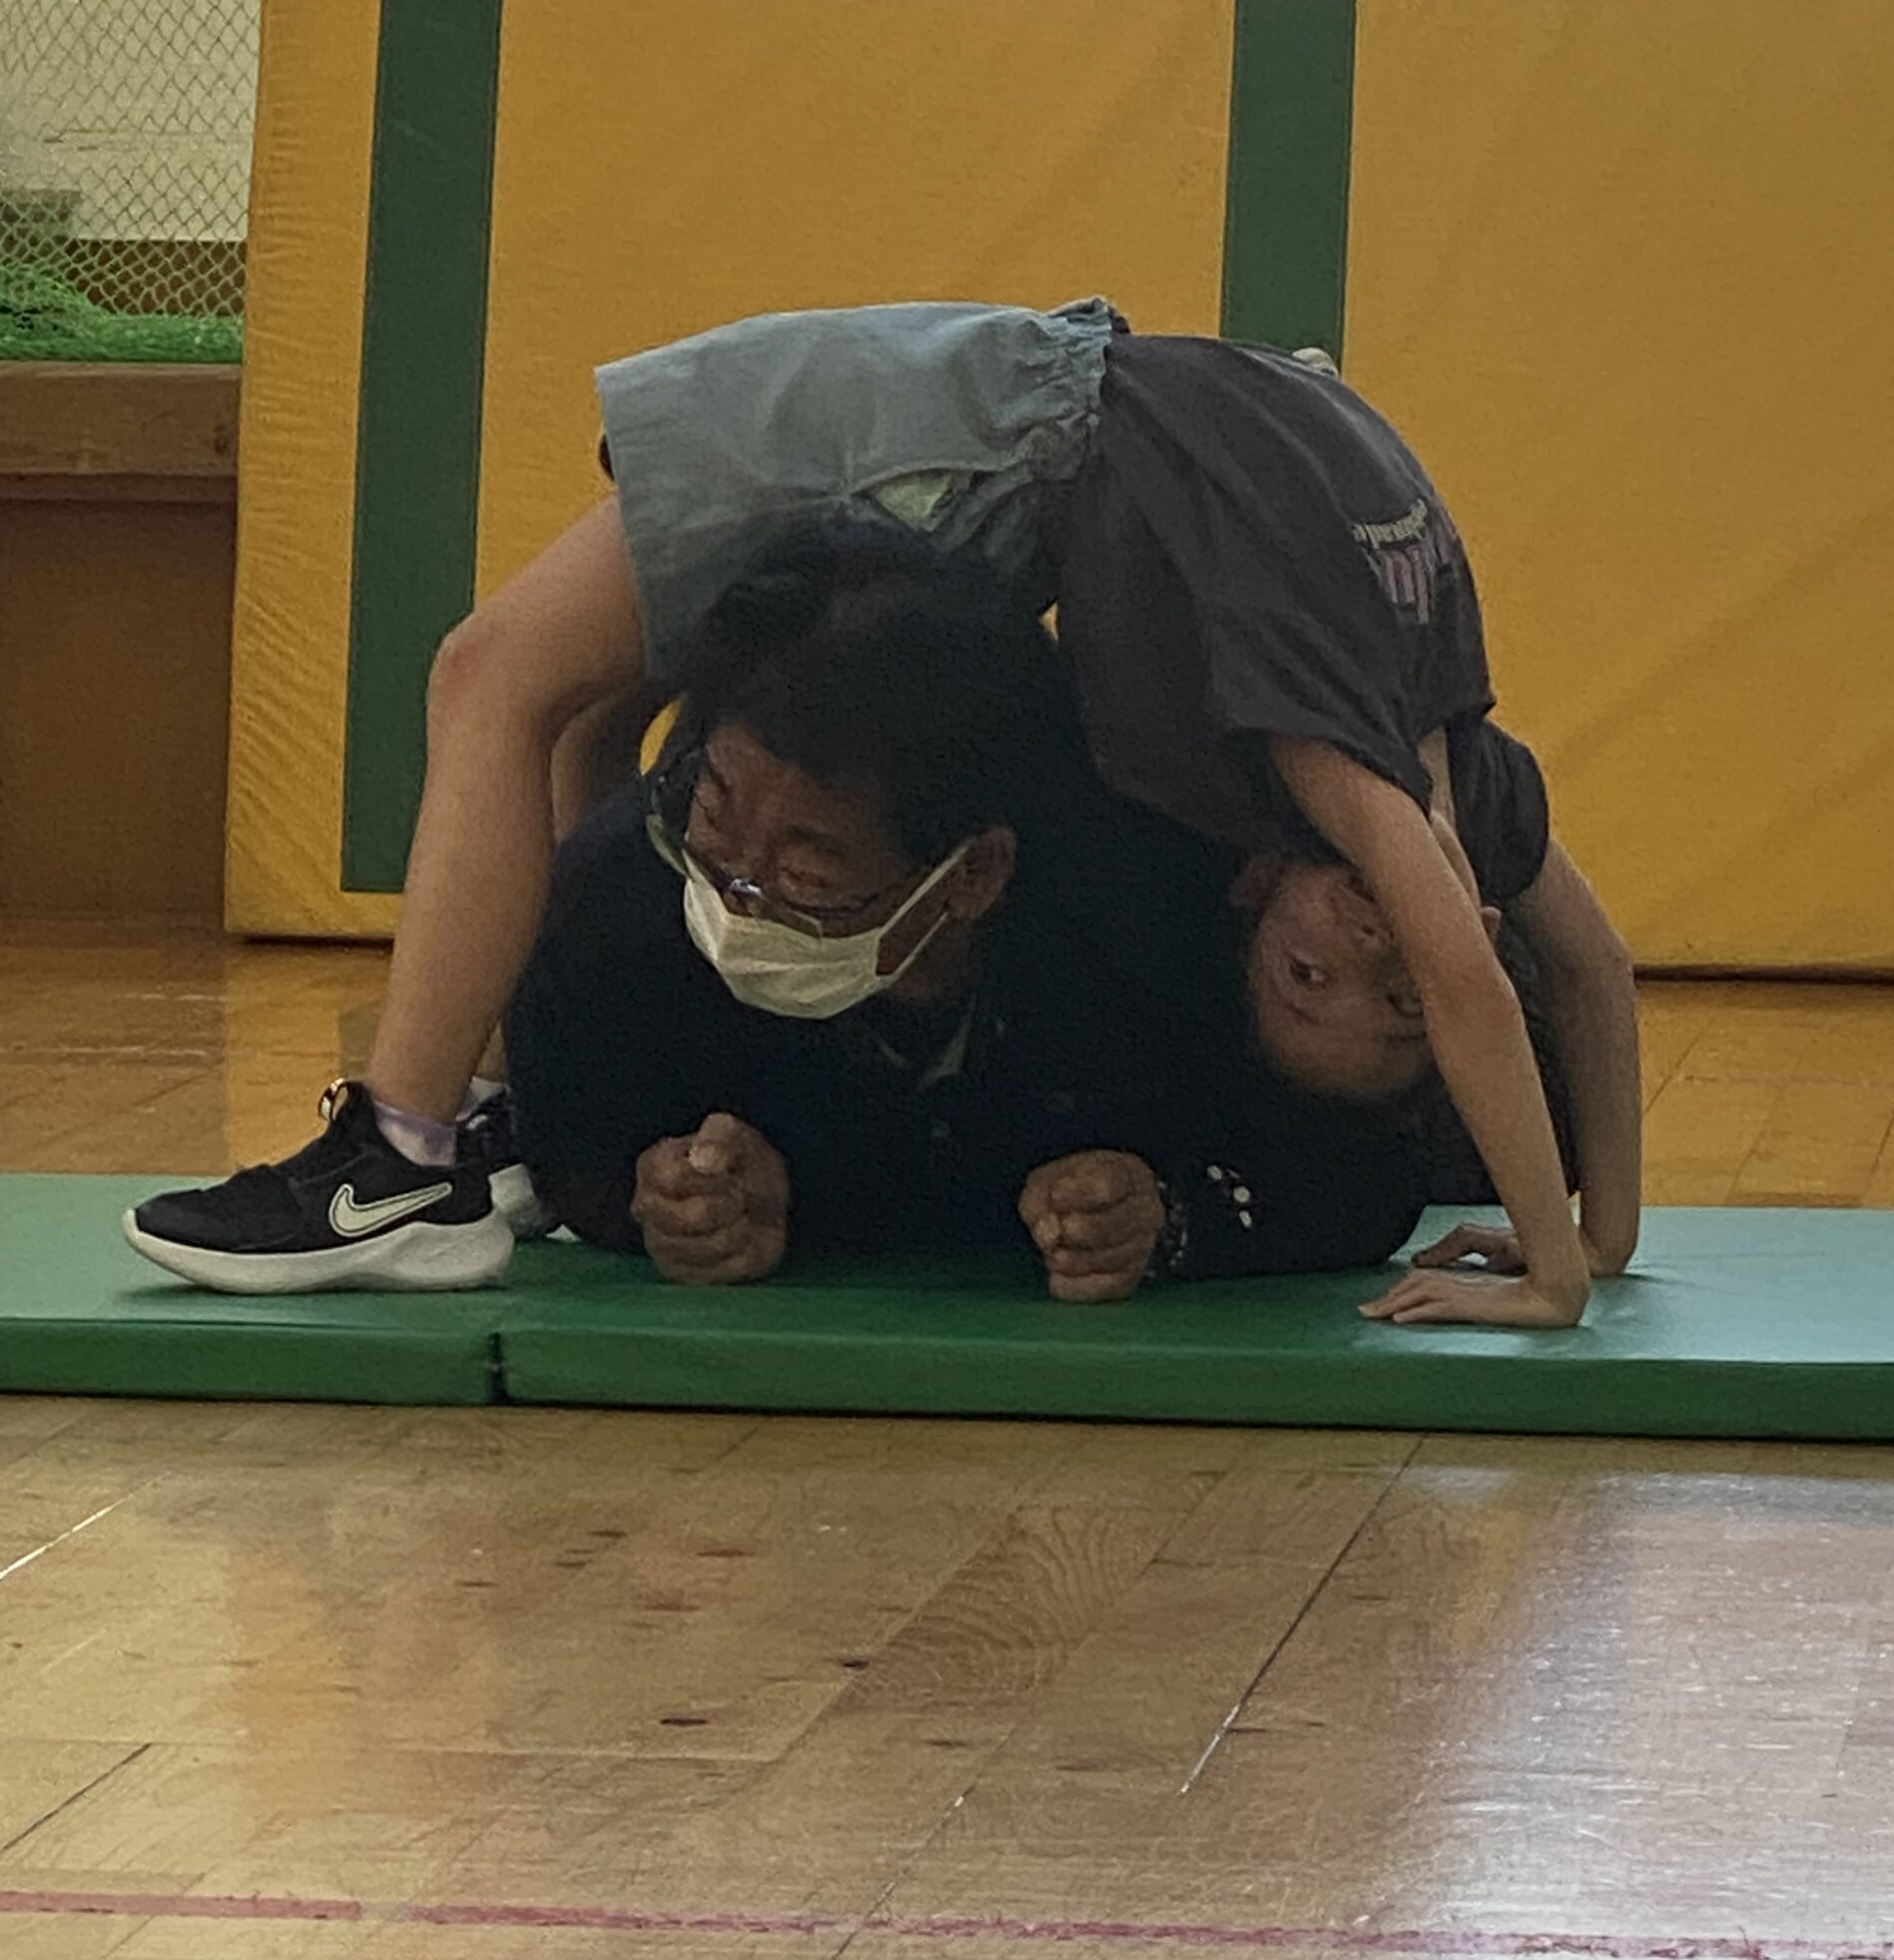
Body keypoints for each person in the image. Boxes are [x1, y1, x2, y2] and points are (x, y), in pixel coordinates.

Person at [128, 299, 1636, 1324]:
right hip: (1020, 412)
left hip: (1038, 418)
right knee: (535, 690)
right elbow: (1525, 968)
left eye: (1335, 983)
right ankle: (458, 1133)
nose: (1379, 945)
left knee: (506, 679)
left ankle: (409, 1153)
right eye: (1397, 961)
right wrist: (1574, 1257)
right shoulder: (1397, 773)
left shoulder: (1381, 749)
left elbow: (1539, 967)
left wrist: (1591, 1241)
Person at [503, 519, 1429, 1299]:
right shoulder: (628, 886)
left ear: (975, 873)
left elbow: (1365, 1175)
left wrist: (1169, 1216)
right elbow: (573, 1143)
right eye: (714, 807)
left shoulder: (1155, 901)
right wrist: (675, 1207)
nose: (735, 892)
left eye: (808, 873)